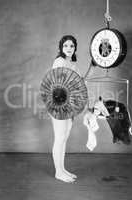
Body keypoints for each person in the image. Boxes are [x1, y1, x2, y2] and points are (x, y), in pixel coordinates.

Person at [49, 35, 80, 183]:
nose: (69, 48)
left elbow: (81, 81)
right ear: (61, 47)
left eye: (72, 46)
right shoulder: (59, 61)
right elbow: (57, 84)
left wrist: (92, 68)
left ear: (75, 48)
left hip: (69, 104)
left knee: (64, 138)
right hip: (58, 103)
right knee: (60, 138)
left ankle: (62, 169)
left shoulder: (72, 63)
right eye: (66, 45)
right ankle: (58, 172)